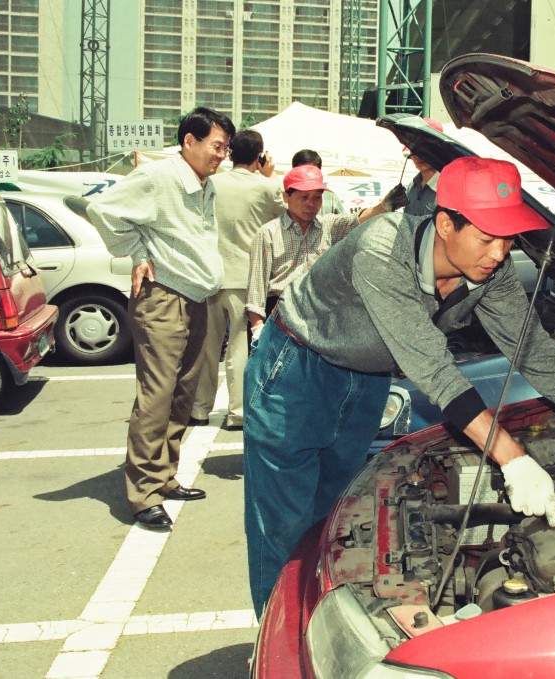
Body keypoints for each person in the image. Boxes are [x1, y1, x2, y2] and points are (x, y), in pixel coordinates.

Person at [242, 156, 555, 617]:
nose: (498, 252)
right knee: (284, 528)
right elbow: (433, 368)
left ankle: (320, 627)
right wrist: (513, 460)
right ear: (446, 224)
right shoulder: (381, 249)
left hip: (367, 379)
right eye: (487, 238)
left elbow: (534, 351)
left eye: (508, 238)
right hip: (297, 370)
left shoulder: (490, 271)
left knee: (333, 522)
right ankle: (279, 646)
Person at [87, 106, 236, 531]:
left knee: (183, 394)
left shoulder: (205, 183)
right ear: (189, 141)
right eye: (216, 146)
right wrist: (137, 253)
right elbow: (103, 211)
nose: (221, 155)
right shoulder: (158, 178)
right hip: (163, 298)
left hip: (197, 298)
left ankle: (164, 474)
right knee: (156, 395)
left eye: (224, 148)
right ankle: (143, 495)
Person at [190, 129, 285, 431]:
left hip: (210, 274)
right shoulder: (267, 187)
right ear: (260, 155)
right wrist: (269, 174)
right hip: (248, 277)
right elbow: (289, 216)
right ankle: (238, 411)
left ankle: (200, 408)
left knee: (208, 345)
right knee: (239, 348)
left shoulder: (211, 183)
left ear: (230, 154)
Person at [244, 164, 400, 338]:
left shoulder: (329, 226)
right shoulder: (269, 233)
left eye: (317, 197)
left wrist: (385, 205)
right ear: (286, 197)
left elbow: (358, 220)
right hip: (278, 313)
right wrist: (257, 328)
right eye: (304, 197)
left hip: (317, 314)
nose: (311, 203)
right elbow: (256, 288)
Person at [291, 148, 345, 215]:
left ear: (319, 171)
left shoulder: (331, 198)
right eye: (303, 171)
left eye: (311, 171)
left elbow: (347, 223)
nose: (307, 174)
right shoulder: (286, 198)